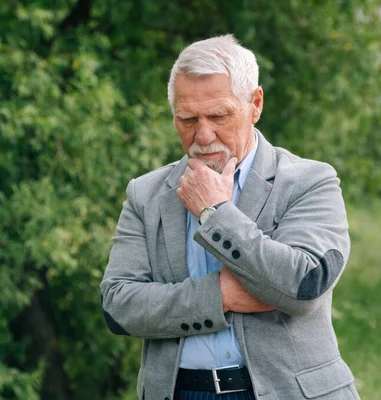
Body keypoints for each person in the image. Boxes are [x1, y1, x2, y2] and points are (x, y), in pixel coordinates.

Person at [100, 34, 359, 400]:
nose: (202, 135)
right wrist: (218, 296)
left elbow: (304, 286)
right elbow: (118, 305)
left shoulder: (309, 181)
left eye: (218, 115)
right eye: (187, 119)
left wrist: (214, 212)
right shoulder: (146, 194)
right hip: (183, 392)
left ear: (255, 104)